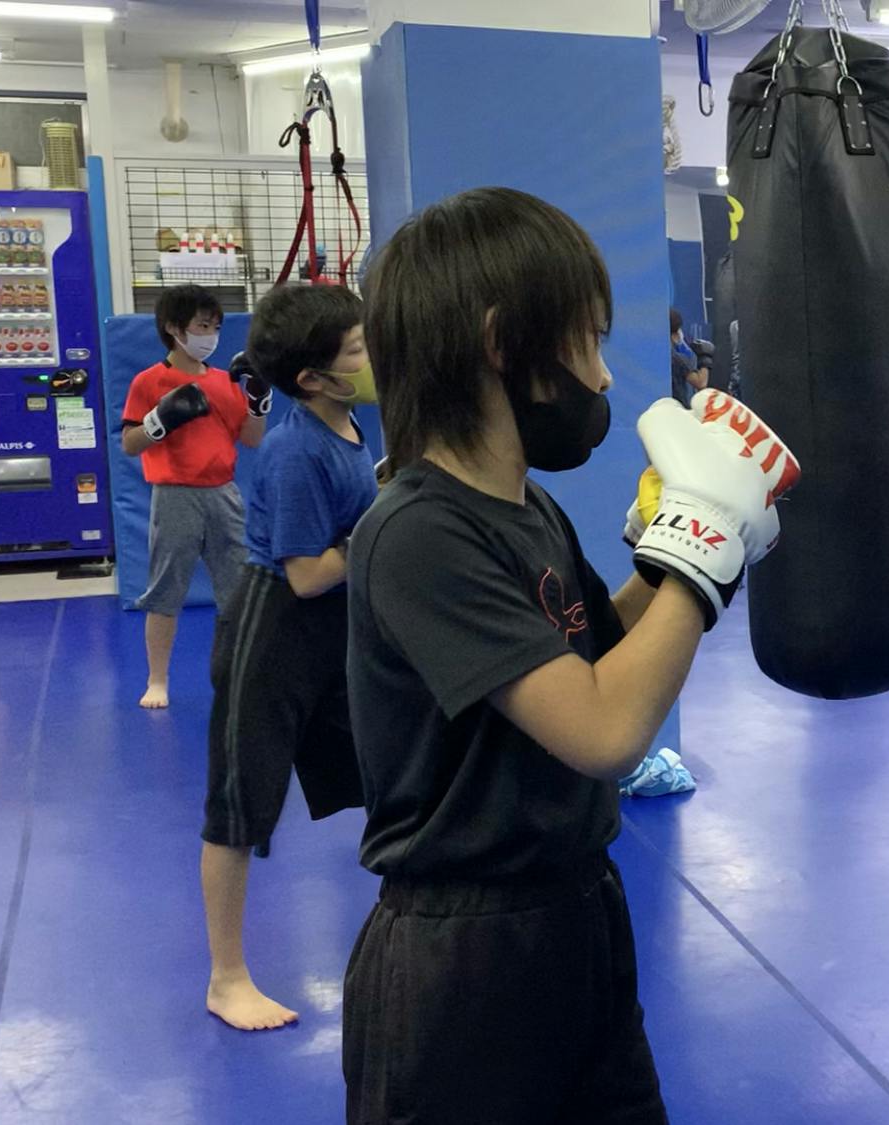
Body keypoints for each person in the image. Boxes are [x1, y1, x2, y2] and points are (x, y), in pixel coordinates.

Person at [342, 186, 795, 1123]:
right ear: (504, 344)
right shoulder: (419, 531)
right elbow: (603, 729)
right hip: (465, 959)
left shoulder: (525, 506)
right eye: (586, 340)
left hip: (576, 916)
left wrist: (668, 548)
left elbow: (599, 655)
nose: (602, 373)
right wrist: (702, 544)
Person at [198, 283, 377, 1032]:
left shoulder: (348, 421)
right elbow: (306, 573)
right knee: (240, 807)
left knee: (386, 772)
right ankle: (226, 978)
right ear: (313, 378)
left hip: (334, 632)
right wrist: (382, 528)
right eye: (359, 349)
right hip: (273, 630)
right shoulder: (296, 450)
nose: (373, 356)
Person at [121, 284, 265, 709]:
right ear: (174, 328)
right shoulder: (149, 381)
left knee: (238, 592)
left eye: (215, 327)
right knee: (166, 590)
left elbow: (252, 439)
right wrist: (160, 420)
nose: (211, 335)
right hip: (174, 495)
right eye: (202, 326)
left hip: (224, 494)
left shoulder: (223, 382)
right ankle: (157, 679)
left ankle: (243, 676)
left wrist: (259, 402)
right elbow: (129, 444)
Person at [669, 307, 711, 407]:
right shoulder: (676, 358)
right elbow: (700, 383)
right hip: (677, 408)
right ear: (676, 333)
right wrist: (705, 358)